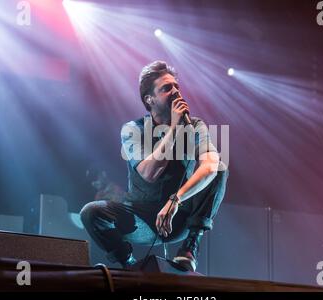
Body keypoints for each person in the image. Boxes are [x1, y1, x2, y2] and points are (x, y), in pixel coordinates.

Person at [80, 61, 229, 272]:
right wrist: (175, 129)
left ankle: (189, 248)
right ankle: (127, 264)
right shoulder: (133, 129)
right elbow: (149, 172)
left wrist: (175, 199)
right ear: (149, 99)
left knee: (220, 168)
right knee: (91, 212)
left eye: (176, 86)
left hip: (180, 215)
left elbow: (211, 166)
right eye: (167, 88)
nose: (176, 92)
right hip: (141, 219)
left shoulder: (195, 126)